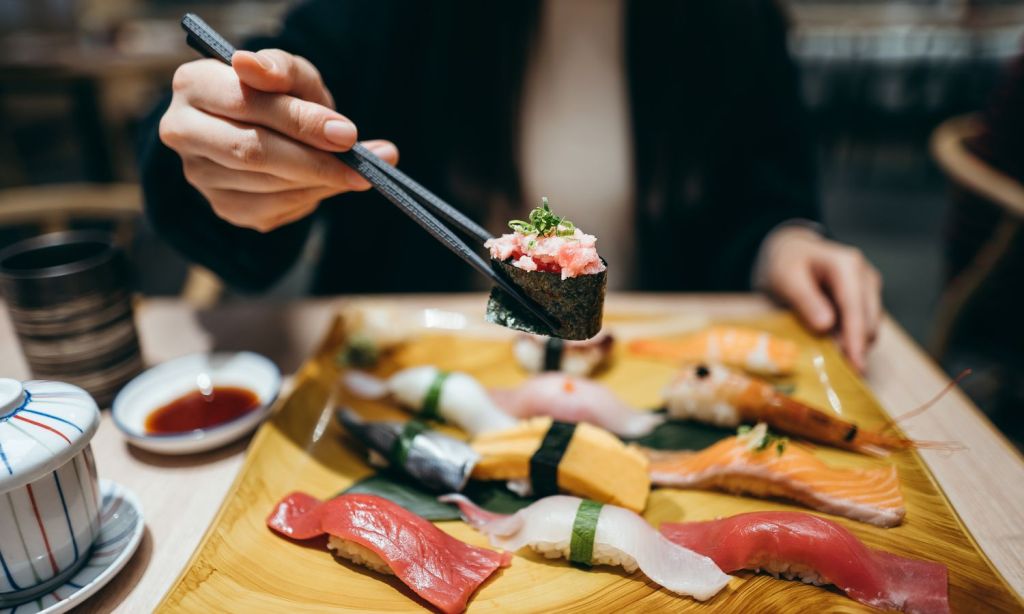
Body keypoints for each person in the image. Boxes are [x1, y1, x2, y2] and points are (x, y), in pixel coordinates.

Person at [140, 0, 882, 371]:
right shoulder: (395, 17)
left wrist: (783, 243)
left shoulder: (735, 20)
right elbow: (279, 82)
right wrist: (232, 147)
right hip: (416, 369)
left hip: (642, 366)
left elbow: (762, 193)